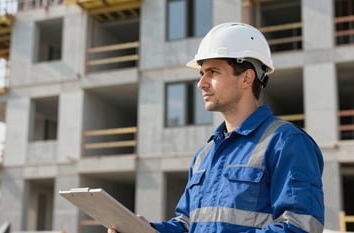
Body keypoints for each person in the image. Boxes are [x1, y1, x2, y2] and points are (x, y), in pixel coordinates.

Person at [108, 22, 324, 233]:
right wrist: (147, 230)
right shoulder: (205, 154)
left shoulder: (286, 142)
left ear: (247, 78)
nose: (201, 83)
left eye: (213, 72)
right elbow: (187, 224)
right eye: (201, 73)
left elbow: (300, 226)